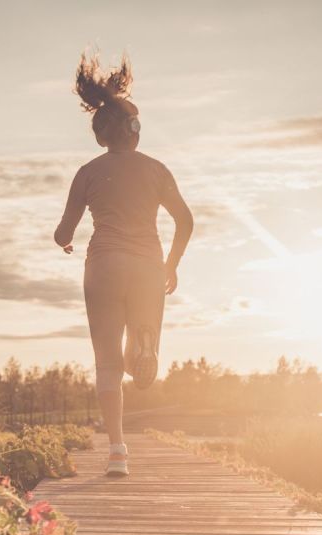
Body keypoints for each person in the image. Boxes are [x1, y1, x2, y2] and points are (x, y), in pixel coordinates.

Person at [54, 52, 193, 477]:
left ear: (101, 137)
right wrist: (170, 265)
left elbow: (64, 231)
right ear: (135, 132)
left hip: (104, 266)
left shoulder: (88, 172)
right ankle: (145, 343)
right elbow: (185, 221)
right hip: (149, 265)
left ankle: (117, 451)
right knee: (139, 360)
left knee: (107, 362)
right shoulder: (156, 170)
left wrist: (64, 243)